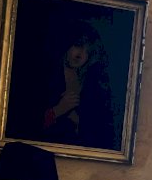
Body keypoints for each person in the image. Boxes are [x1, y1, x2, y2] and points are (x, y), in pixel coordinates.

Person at [39, 21, 117, 150]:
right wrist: (57, 110)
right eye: (78, 45)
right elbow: (25, 124)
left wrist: (80, 123)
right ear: (67, 44)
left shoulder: (92, 84)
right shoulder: (46, 75)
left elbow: (101, 129)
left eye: (87, 52)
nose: (81, 55)